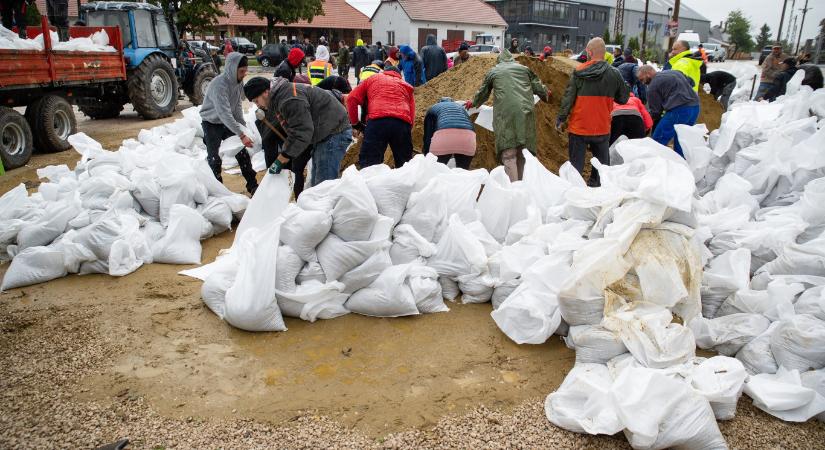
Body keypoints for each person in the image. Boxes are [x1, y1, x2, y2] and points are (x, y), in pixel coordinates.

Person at [245, 76, 353, 195]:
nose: (257, 105)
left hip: (334, 133)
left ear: (266, 92)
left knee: (323, 186)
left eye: (256, 100)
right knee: (317, 183)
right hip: (324, 132)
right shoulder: (281, 95)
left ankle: (326, 211)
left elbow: (301, 132)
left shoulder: (288, 99)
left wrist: (282, 159)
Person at [467, 49, 550, 181]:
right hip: (525, 114)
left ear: (499, 60)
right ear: (512, 59)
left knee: (509, 154)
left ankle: (513, 188)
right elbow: (540, 88)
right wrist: (546, 93)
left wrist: (473, 102)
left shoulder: (494, 71)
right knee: (523, 152)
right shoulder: (524, 69)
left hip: (505, 114)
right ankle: (521, 185)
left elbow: (483, 93)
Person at [556, 38, 629, 187]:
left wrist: (561, 118)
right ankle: (597, 191)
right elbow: (623, 99)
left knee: (576, 167)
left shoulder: (578, 72)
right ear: (604, 53)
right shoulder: (614, 73)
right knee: (602, 168)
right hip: (602, 127)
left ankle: (575, 193)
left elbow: (568, 98)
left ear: (589, 52)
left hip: (579, 127)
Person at [199, 53, 258, 195]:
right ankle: (217, 191)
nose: (244, 75)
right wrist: (241, 134)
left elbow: (237, 107)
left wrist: (243, 128)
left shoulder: (237, 83)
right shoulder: (219, 85)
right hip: (212, 122)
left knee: (242, 154)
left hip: (228, 122)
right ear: (232, 69)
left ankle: (253, 185)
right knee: (214, 158)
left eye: (245, 71)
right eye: (241, 71)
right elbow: (224, 113)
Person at [346, 69, 415, 168]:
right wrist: (405, 132)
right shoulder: (406, 85)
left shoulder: (373, 78)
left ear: (384, 72)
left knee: (370, 164)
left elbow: (351, 98)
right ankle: (405, 182)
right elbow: (412, 115)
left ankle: (370, 182)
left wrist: (355, 123)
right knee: (405, 164)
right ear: (399, 76)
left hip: (377, 121)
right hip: (402, 122)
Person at [637, 66, 700, 158]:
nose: (642, 83)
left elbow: (656, 111)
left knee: (659, 138)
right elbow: (692, 82)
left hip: (679, 110)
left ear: (648, 74)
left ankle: (653, 164)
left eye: (642, 79)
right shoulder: (674, 72)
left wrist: (646, 124)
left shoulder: (653, 86)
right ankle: (681, 164)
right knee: (681, 138)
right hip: (695, 107)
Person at [423, 98, 476, 169]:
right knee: (463, 173)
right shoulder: (460, 108)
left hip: (444, 138)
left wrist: (427, 156)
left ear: (438, 103)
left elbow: (428, 136)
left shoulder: (433, 108)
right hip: (468, 138)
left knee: (435, 172)